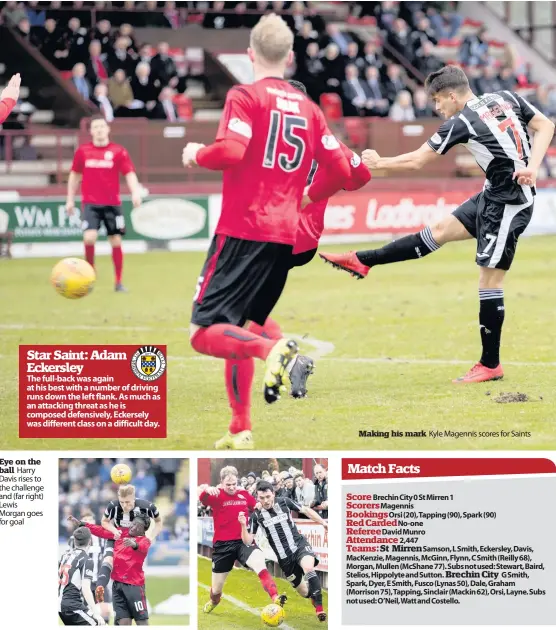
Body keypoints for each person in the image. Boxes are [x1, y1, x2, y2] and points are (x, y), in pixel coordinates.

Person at [320, 65, 555, 383]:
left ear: (452, 96)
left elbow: (418, 160)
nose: (437, 108)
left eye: (437, 101)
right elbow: (545, 125)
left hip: (510, 204)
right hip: (493, 194)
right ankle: (364, 261)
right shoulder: (506, 97)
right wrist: (533, 165)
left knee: (489, 282)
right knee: (440, 232)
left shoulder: (463, 121)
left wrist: (378, 163)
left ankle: (490, 364)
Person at [181, 13, 350, 450]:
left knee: (204, 334)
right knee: (240, 324)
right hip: (283, 238)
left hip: (242, 231)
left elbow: (231, 151)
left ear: (250, 54)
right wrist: (308, 198)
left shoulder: (246, 96)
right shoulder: (310, 111)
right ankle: (241, 428)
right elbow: (343, 169)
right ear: (291, 57)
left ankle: (270, 348)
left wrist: (197, 153)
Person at [66, 114, 143, 292]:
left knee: (115, 240)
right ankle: (89, 276)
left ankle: (118, 281)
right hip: (91, 204)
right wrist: (70, 199)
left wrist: (135, 192)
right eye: (96, 127)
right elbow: (74, 175)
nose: (99, 130)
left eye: (102, 126)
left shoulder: (118, 151)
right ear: (91, 131)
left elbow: (129, 173)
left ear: (108, 129)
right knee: (89, 237)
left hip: (112, 204)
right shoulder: (83, 151)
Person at [198, 465, 286, 614]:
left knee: (260, 564)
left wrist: (262, 505)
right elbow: (202, 499)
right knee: (216, 591)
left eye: (234, 484)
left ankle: (275, 597)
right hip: (223, 546)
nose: (232, 487)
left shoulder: (244, 494)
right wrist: (206, 490)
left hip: (243, 541)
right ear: (221, 482)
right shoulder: (216, 494)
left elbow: (256, 506)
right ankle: (214, 601)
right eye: (228, 485)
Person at [239, 480, 328, 622]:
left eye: (268, 496)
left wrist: (323, 523)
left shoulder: (284, 502)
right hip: (284, 559)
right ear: (257, 497)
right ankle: (312, 597)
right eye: (262, 498)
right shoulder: (256, 515)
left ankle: (319, 609)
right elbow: (248, 541)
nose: (266, 501)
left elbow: (306, 510)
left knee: (308, 567)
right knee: (304, 592)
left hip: (299, 545)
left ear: (273, 493)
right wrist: (243, 525)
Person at [68, 513, 153, 626]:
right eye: (133, 523)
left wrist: (134, 544)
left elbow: (142, 546)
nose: (133, 527)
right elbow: (101, 531)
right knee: (122, 621)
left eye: (138, 526)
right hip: (117, 586)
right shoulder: (120, 533)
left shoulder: (144, 540)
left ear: (144, 529)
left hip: (134, 586)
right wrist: (82, 524)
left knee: (141, 620)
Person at [94, 484, 162, 605]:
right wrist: (114, 531)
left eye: (128, 502)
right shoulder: (113, 506)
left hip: (134, 541)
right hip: (117, 536)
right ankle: (100, 587)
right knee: (108, 559)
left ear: (134, 498)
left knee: (133, 569)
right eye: (122, 502)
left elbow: (158, 522)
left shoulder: (147, 507)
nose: (125, 505)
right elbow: (104, 522)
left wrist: (151, 537)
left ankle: (135, 600)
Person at [68, 510, 113, 624]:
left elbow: (108, 555)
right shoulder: (74, 539)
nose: (88, 522)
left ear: (94, 521)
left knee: (105, 610)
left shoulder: (102, 538)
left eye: (90, 519)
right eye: (85, 520)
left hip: (99, 581)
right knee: (87, 612)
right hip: (84, 582)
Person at [58, 526, 106, 626]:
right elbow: (86, 589)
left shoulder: (64, 556)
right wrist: (96, 613)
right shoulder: (87, 560)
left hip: (61, 605)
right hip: (72, 607)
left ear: (74, 541)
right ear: (90, 541)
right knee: (101, 625)